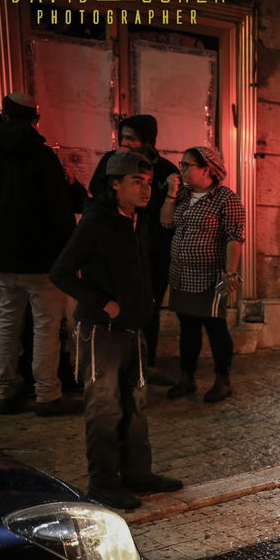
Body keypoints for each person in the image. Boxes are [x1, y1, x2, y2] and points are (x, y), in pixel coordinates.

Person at [50, 151, 184, 510]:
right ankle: (104, 481)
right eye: (136, 182)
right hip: (102, 329)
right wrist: (102, 303)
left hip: (132, 327)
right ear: (114, 184)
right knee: (105, 407)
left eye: (147, 182)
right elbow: (61, 272)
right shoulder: (96, 221)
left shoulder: (136, 220)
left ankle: (138, 472)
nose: (145, 190)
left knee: (136, 404)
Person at [0, 91, 80, 417]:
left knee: (6, 323)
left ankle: (4, 390)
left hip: (4, 256)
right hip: (42, 259)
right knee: (46, 326)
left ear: (5, 115)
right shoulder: (43, 157)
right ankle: (47, 394)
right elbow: (59, 210)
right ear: (35, 118)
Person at [89, 114, 179, 386]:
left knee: (149, 307)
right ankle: (116, 365)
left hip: (153, 250)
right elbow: (97, 193)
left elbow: (169, 212)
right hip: (118, 248)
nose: (125, 142)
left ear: (147, 140)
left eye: (132, 137)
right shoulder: (110, 163)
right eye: (123, 136)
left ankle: (145, 364)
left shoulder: (164, 168)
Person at [162, 146, 245, 404]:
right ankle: (187, 377)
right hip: (181, 274)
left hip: (211, 276)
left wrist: (229, 273)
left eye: (187, 165)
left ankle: (223, 380)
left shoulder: (226, 199)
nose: (181, 169)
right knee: (187, 327)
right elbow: (166, 223)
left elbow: (234, 238)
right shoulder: (184, 194)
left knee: (215, 327)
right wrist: (172, 194)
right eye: (182, 164)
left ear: (206, 169)